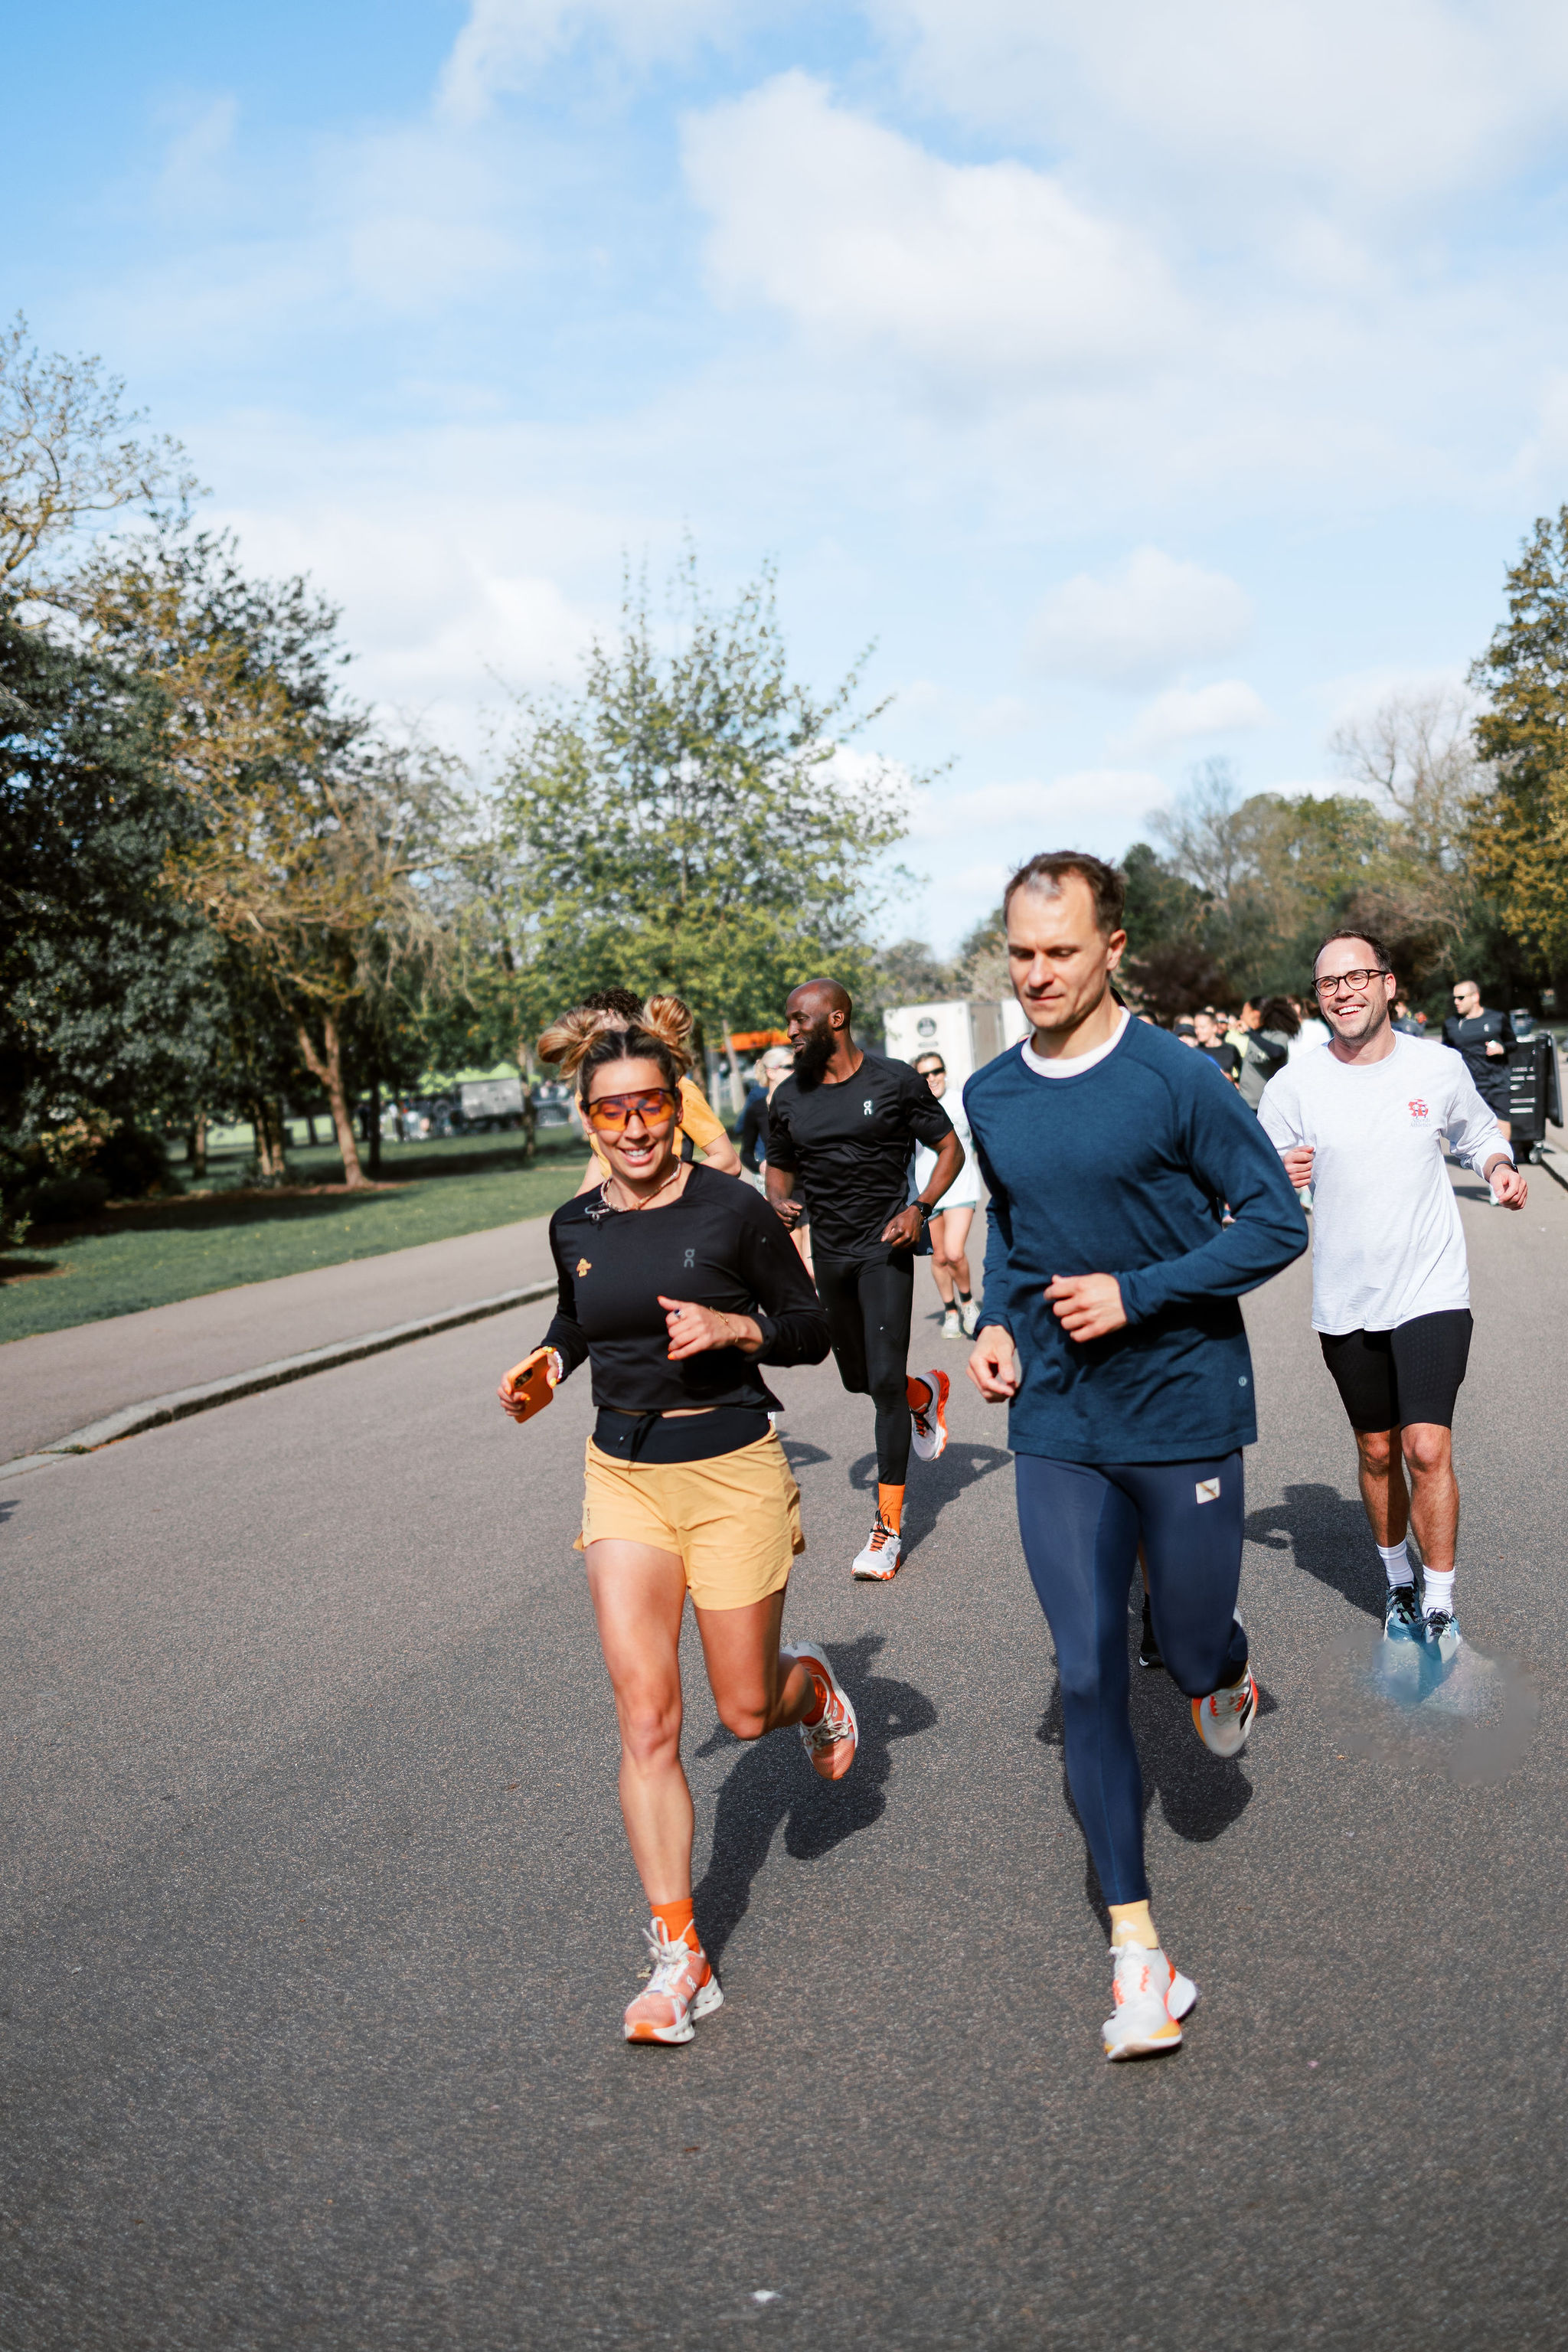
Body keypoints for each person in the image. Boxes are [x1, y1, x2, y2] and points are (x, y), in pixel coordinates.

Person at [964, 851, 1305, 2061]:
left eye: (1061, 950)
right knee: (1089, 1669)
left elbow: (1273, 1221)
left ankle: (1219, 1659)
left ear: (1114, 947)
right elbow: (1012, 1225)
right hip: (1058, 1419)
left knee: (1191, 1644)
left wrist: (1139, 1293)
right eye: (1021, 952)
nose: (1038, 973)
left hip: (1181, 1405)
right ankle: (1139, 1952)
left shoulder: (1177, 1079)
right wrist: (996, 1322)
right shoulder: (994, 1094)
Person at [498, 997, 858, 2047]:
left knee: (744, 1711)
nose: (635, 1128)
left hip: (734, 1469)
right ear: (586, 1119)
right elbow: (578, 1313)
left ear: (675, 1103)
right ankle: (678, 1954)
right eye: (613, 1112)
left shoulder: (731, 1207)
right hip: (624, 1476)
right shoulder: (575, 1225)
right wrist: (549, 1364)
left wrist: (735, 1323)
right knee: (646, 1716)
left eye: (651, 1104)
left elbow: (810, 1330)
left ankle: (814, 1688)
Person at [1259, 932, 1526, 1660]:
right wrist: (1278, 1177)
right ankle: (1398, 1579)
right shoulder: (1295, 1087)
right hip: (1346, 1296)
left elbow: (1477, 1133)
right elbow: (1253, 1182)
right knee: (1377, 1452)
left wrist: (1498, 1165)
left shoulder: (1437, 1067)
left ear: (1388, 984)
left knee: (1425, 1446)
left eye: (1357, 977)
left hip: (1432, 1286)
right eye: (1328, 984)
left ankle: (1440, 1604)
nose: (1343, 991)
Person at [766, 979, 965, 1581]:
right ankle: (921, 1395)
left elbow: (949, 1147)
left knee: (879, 1381)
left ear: (837, 1018)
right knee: (858, 1377)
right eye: (790, 1020)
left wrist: (920, 1206)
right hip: (830, 1252)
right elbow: (778, 1170)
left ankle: (887, 1531)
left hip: (886, 1246)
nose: (792, 1029)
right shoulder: (789, 1096)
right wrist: (777, 1201)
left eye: (801, 1019)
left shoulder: (895, 1080)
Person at [553, 988, 744, 1193]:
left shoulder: (676, 1087)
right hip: (619, 1216)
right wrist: (577, 1207)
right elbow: (600, 1157)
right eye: (597, 1036)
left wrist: (662, 1189)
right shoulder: (586, 1096)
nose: (608, 1044)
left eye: (615, 1033)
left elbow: (728, 1162)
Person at [912, 1050, 982, 1340]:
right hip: (928, 1192)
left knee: (954, 1251)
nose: (932, 1078)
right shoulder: (911, 1107)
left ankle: (967, 1303)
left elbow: (980, 1140)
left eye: (937, 1071)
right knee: (939, 1257)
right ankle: (950, 1310)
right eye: (925, 1074)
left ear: (945, 1072)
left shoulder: (960, 1102)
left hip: (962, 1188)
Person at [1443, 978, 1515, 1156]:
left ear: (1475, 997)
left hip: (1498, 1082)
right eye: (1454, 998)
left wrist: (1502, 1048)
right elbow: (1447, 1054)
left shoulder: (1497, 1018)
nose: (1456, 1002)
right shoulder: (1451, 1024)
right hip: (1470, 1086)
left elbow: (1513, 1043)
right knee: (1475, 1132)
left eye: (1460, 998)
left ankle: (1501, 1166)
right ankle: (1483, 1162)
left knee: (1502, 1129)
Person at [738, 1045, 794, 1191]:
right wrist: (760, 1166)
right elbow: (746, 1153)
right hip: (773, 1184)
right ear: (771, 1072)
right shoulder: (756, 1109)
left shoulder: (803, 1103)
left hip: (803, 1181)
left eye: (797, 1066)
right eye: (789, 1067)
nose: (795, 1071)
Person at [1192, 1008, 1241, 1085]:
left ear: (1214, 1028)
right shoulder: (1194, 1052)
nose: (1197, 1031)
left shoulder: (1230, 1050)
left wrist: (1232, 1079)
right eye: (1196, 1027)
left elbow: (1241, 1075)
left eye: (1202, 1027)